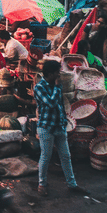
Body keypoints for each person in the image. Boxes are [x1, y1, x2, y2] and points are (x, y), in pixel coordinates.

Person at [34, 60, 88, 197]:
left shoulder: (55, 85)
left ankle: (72, 185)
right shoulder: (39, 87)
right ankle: (42, 184)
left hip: (59, 126)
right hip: (46, 127)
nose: (59, 75)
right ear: (50, 73)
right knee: (46, 156)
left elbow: (60, 106)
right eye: (57, 73)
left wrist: (64, 121)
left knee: (66, 156)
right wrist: (58, 88)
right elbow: (51, 103)